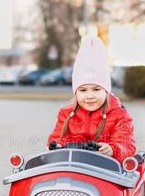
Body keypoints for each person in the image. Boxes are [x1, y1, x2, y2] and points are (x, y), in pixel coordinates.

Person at [47, 35, 136, 163]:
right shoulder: (66, 114)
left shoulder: (119, 115)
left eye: (96, 89)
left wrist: (113, 149)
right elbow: (56, 138)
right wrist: (55, 146)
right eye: (83, 90)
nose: (90, 96)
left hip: (106, 171)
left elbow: (127, 145)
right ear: (76, 92)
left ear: (106, 90)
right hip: (73, 168)